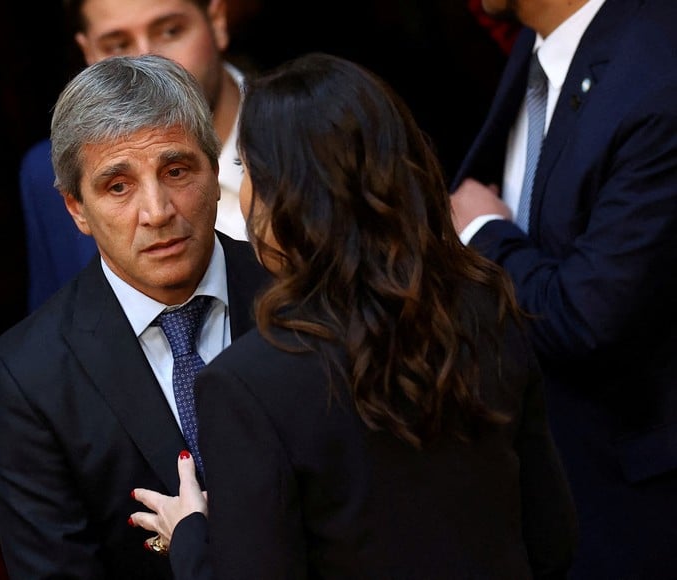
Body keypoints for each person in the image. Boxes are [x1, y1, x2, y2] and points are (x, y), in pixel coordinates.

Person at [129, 52, 578, 579]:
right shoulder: (484, 305)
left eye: (245, 167)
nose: (244, 189)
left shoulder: (246, 384)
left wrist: (191, 535)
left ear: (287, 196)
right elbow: (552, 539)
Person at [0, 54, 269, 579]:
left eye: (176, 170)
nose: (157, 210)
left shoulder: (297, 294)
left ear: (214, 167)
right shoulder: (30, 378)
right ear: (76, 209)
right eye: (118, 186)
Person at [449, 0, 677, 578]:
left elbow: (586, 317)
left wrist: (483, 232)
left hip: (632, 511)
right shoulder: (542, 44)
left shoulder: (655, 75)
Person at [21, 0, 250, 313]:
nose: (147, 60)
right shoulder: (44, 175)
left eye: (170, 31)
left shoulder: (315, 129)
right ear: (88, 53)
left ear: (217, 21)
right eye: (118, 44)